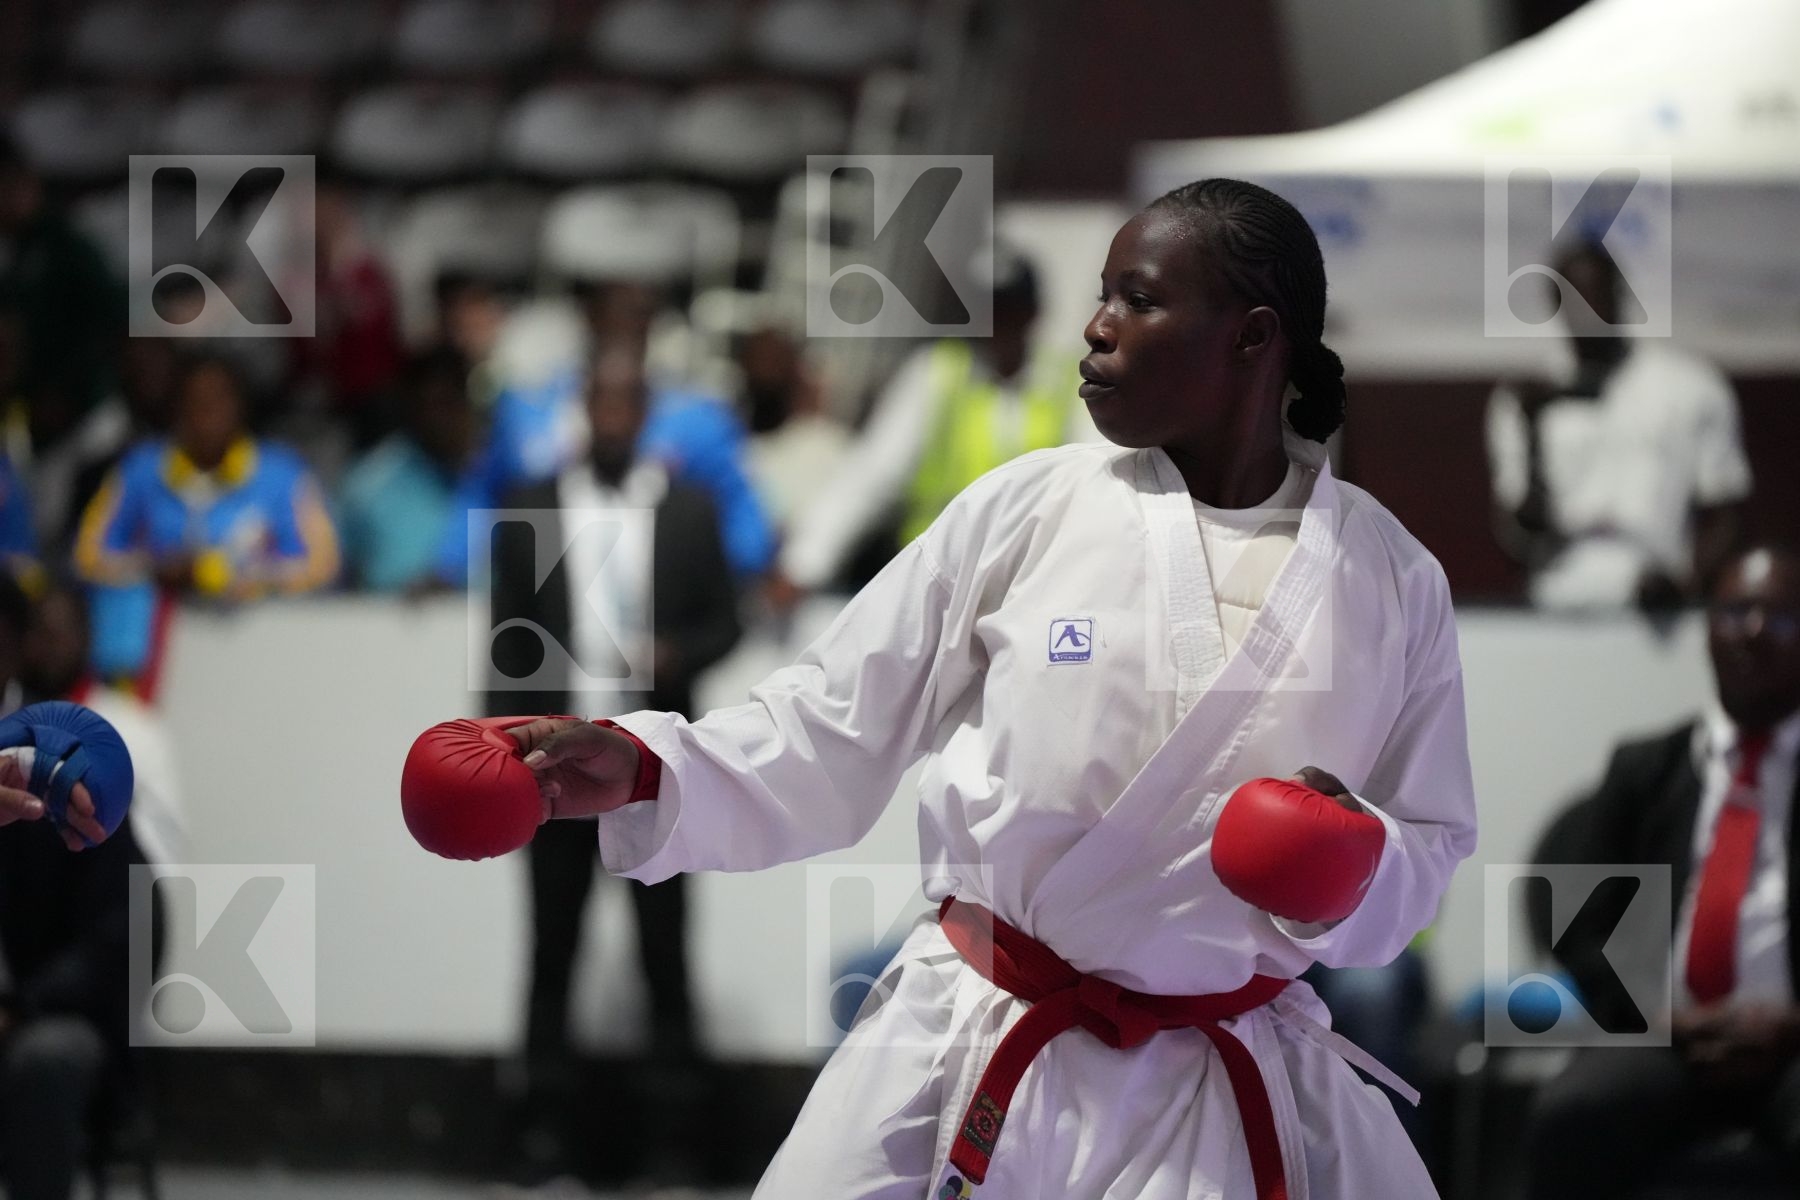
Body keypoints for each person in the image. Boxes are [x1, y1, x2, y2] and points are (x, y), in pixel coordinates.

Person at [444, 179, 1477, 1197]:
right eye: (1103, 293)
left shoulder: (1389, 580)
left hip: (1213, 1080)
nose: (1095, 326)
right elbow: (831, 723)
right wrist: (645, 763)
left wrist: (1354, 866)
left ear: (1253, 339)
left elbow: (1429, 846)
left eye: (1140, 298)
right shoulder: (1029, 508)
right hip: (972, 1034)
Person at [486, 347, 741, 1185]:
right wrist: (506, 761)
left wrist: (680, 652)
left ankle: (674, 1144)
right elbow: (505, 647)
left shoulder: (691, 509)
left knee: (665, 953)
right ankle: (541, 1139)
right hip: (555, 772)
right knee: (549, 950)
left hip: (652, 767)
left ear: (647, 410)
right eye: (600, 399)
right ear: (581, 406)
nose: (613, 414)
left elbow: (725, 624)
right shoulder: (529, 505)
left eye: (629, 401)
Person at [1524, 543, 1800, 1198]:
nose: (1754, 632)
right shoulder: (1646, 769)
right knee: (1571, 1119)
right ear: (1707, 628)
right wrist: (1658, 1017)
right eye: (1735, 612)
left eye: (1781, 617)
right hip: (1664, 1040)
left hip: (1795, 1045)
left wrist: (1789, 1025)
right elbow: (1578, 925)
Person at [770, 246, 1092, 605]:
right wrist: (804, 564)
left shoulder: (1070, 383)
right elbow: (873, 474)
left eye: (1006, 310)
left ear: (1033, 313)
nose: (995, 323)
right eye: (984, 311)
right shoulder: (937, 372)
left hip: (1031, 583)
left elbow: (1095, 486)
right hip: (938, 582)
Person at [1487, 240, 1751, 613]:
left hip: (1659, 592)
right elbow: (1523, 535)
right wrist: (1533, 431)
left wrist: (1686, 586)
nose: (1588, 310)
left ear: (1621, 294)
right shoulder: (1527, 398)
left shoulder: (1690, 387)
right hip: (1561, 596)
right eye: (1573, 298)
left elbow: (1726, 513)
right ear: (1554, 305)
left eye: (1597, 293)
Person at [0, 572, 141, 1200]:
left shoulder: (59, 762)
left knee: (46, 1058)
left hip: (47, 1007)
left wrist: (19, 1007)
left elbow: (117, 931)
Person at [73, 353, 339, 686]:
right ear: (177, 409)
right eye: (195, 401)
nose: (207, 412)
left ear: (240, 406)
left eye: (219, 399)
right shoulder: (140, 470)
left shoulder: (282, 474)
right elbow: (88, 555)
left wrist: (251, 579)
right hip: (158, 659)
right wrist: (154, 569)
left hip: (258, 654)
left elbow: (322, 565)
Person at [337, 347, 477, 593]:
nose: (441, 419)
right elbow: (340, 575)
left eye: (450, 403)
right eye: (430, 404)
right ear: (409, 407)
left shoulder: (505, 478)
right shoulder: (368, 483)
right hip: (389, 627)